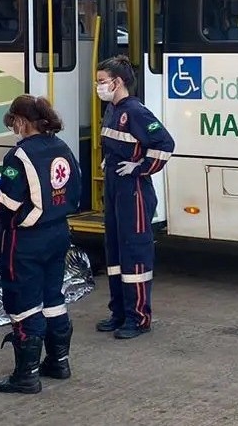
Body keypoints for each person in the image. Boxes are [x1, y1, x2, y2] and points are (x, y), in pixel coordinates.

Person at [0, 94, 81, 395]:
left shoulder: (18, 156)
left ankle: (26, 376)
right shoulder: (62, 147)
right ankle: (59, 361)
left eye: (13, 123)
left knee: (23, 304)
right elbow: (74, 187)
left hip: (24, 240)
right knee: (53, 298)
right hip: (58, 232)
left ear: (20, 121)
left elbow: (7, 201)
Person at [94, 55, 176, 339]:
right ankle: (119, 313)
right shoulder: (112, 110)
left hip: (135, 191)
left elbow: (165, 144)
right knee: (115, 253)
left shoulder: (136, 111)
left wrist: (140, 168)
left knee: (135, 255)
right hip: (116, 187)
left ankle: (139, 318)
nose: (99, 86)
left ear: (118, 82)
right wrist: (109, 161)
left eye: (102, 81)